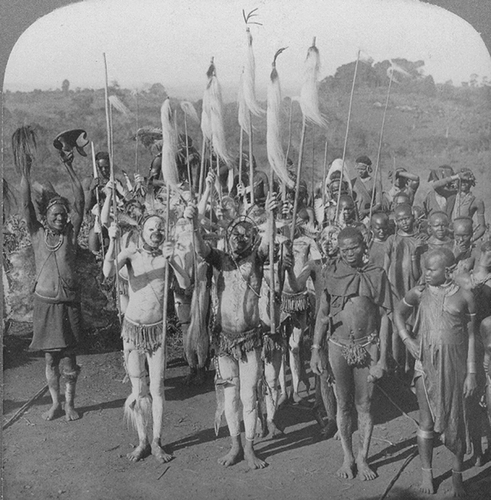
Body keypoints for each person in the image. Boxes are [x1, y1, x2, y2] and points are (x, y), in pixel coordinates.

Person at [185, 197, 277, 469]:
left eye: (245, 234)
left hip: (250, 339)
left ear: (252, 237)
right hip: (224, 341)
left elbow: (268, 244)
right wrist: (193, 223)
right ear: (228, 236)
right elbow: (201, 249)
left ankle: (249, 448)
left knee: (249, 394)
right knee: (230, 395)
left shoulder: (257, 259)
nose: (239, 238)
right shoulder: (219, 260)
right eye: (235, 234)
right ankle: (235, 445)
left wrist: (270, 217)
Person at [103, 215, 191, 463]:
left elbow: (185, 283)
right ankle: (142, 440)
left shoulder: (168, 254)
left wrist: (173, 261)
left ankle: (156, 442)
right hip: (132, 330)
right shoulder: (131, 253)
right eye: (151, 228)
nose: (156, 232)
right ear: (142, 230)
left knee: (157, 388)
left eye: (160, 228)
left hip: (157, 330)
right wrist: (112, 241)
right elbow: (107, 271)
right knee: (138, 388)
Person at [394, 248, 477, 497]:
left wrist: (472, 372)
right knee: (426, 421)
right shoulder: (419, 293)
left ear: (449, 271)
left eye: (431, 269)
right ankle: (426, 472)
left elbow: (472, 336)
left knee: (457, 420)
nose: (425, 274)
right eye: (424, 268)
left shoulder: (465, 297)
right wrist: (406, 338)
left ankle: (457, 475)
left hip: (456, 367)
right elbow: (397, 313)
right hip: (425, 365)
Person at [311, 227, 391, 481]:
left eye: (353, 247)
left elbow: (385, 316)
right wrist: (315, 350)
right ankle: (347, 457)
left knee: (365, 404)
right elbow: (322, 316)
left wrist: (382, 359)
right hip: (338, 347)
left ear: (364, 244)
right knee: (343, 405)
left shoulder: (376, 275)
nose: (348, 253)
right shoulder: (332, 273)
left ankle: (363, 457)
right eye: (343, 249)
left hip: (367, 347)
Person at [19, 133, 85, 422]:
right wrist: (25, 172)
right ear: (45, 218)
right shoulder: (37, 235)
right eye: (55, 215)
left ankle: (70, 404)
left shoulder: (70, 235)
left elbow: (81, 202)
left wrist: (70, 167)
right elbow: (24, 207)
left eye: (63, 214)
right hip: (45, 304)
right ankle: (55, 403)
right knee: (49, 358)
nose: (60, 218)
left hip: (68, 303)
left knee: (69, 359)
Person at [384, 204, 424, 375]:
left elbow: (418, 273)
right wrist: (386, 288)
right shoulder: (391, 240)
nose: (404, 222)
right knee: (395, 327)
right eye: (400, 220)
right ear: (395, 221)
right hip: (394, 288)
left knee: (411, 326)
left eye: (406, 218)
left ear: (413, 217)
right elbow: (385, 267)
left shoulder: (420, 239)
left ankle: (410, 366)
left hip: (412, 289)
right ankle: (395, 366)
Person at [450, 168, 486, 243]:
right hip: (450, 236)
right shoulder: (451, 198)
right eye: (461, 181)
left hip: (465, 236)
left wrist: (471, 240)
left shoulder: (477, 202)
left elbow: (482, 227)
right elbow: (435, 185)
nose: (463, 183)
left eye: (466, 181)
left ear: (471, 182)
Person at [352, 155, 381, 221]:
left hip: (369, 216)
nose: (360, 171)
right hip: (354, 215)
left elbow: (378, 204)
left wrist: (365, 212)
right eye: (358, 169)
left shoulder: (376, 182)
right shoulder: (352, 182)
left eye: (362, 169)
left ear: (368, 169)